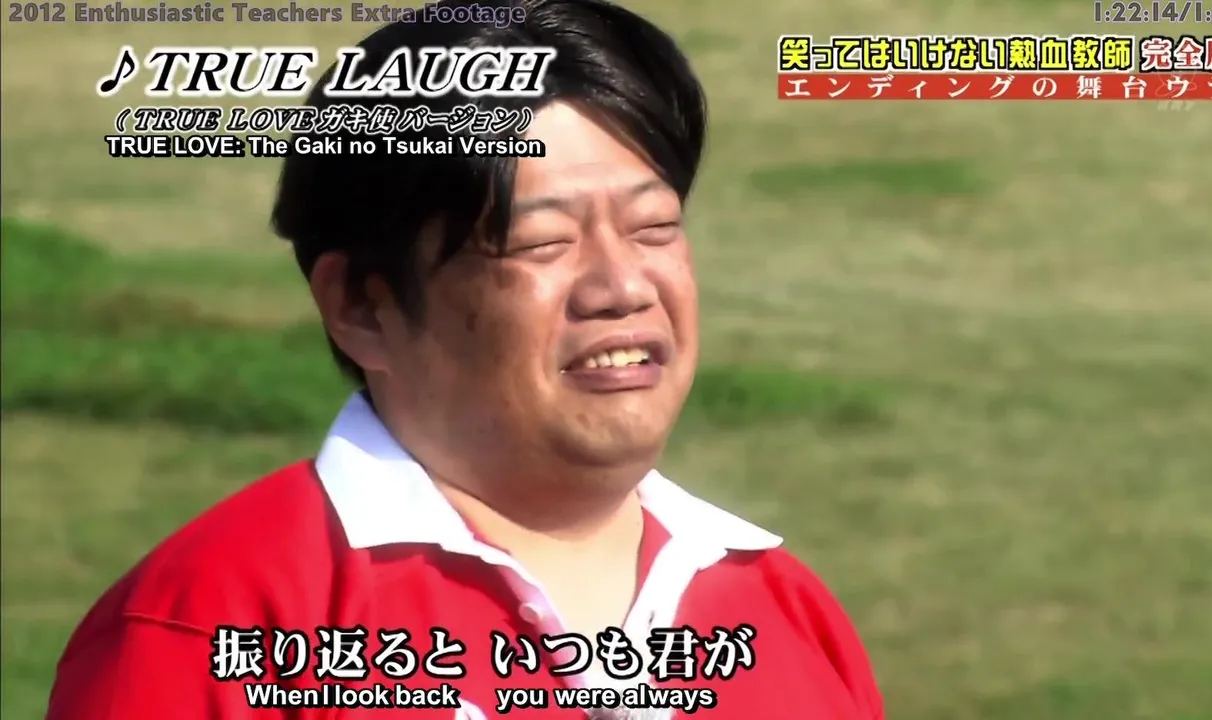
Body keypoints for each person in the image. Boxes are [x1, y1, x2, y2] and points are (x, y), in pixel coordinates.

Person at [46, 1, 884, 718]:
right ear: (362, 306)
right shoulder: (212, 626)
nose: (624, 286)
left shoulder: (788, 612)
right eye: (541, 241)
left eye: (654, 228)